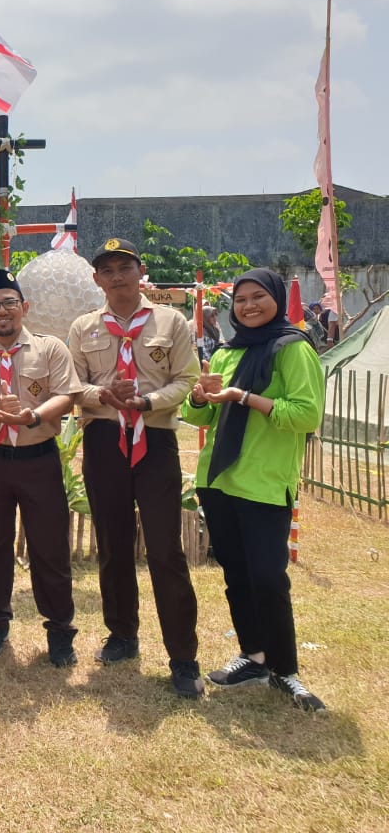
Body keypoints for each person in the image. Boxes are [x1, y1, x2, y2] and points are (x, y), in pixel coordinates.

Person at [183, 268, 327, 712]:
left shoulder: (293, 349)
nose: (248, 305)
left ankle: (286, 671)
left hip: (264, 482)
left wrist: (245, 398)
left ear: (277, 299)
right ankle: (255, 656)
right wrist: (201, 398)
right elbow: (201, 421)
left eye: (258, 296)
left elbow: (306, 416)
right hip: (219, 481)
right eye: (240, 299)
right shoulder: (228, 351)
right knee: (237, 576)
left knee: (268, 578)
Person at [67, 238, 204, 699]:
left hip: (155, 437)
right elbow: (73, 384)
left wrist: (147, 400)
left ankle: (183, 656)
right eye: (108, 269)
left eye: (125, 267)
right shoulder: (84, 327)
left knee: (165, 548)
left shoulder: (171, 321)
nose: (117, 276)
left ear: (140, 271)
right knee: (113, 542)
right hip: (105, 439)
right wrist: (100, 395)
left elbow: (186, 378)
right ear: (96, 279)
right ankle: (122, 634)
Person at [0, 269, 82, 665]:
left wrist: (30, 417)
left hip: (38, 459)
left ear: (24, 308)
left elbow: (66, 396)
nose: (2, 312)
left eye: (9, 303)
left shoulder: (50, 349)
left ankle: (60, 630)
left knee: (50, 547)